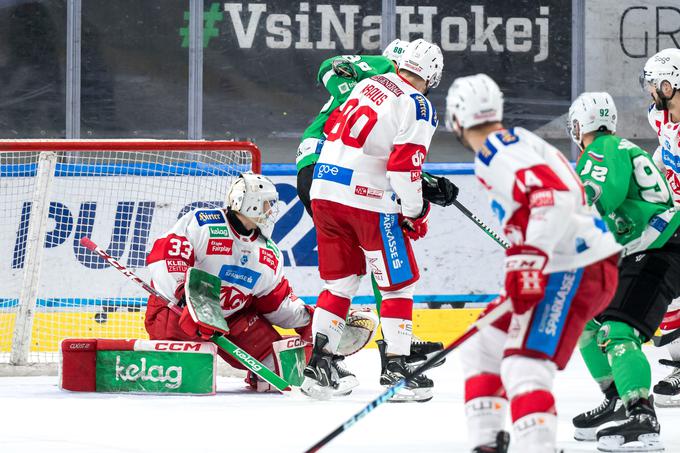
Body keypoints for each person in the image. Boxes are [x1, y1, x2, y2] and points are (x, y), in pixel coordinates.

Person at [446, 74, 621, 452]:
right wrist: (529, 260)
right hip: (570, 262)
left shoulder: (497, 150)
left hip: (575, 264)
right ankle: (487, 443)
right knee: (481, 344)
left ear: (455, 119)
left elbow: (552, 198)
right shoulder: (516, 141)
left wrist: (528, 261)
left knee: (524, 365)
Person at [301, 38, 444, 402]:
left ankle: (319, 367)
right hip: (366, 201)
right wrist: (414, 212)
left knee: (341, 285)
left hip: (324, 191)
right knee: (397, 287)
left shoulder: (368, 84)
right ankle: (398, 370)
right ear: (433, 76)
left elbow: (346, 134)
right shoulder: (419, 104)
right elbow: (402, 168)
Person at [144, 173, 374, 393]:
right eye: (267, 204)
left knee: (281, 364)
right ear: (251, 203)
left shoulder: (268, 253)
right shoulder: (204, 223)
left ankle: (314, 367)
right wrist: (187, 300)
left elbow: (277, 302)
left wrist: (314, 320)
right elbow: (168, 256)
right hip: (180, 313)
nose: (271, 210)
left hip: (234, 319)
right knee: (184, 374)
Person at [567, 92, 680, 451]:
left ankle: (642, 417)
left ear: (578, 125)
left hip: (661, 249)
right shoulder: (616, 148)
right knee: (584, 316)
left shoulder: (602, 149)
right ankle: (618, 396)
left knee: (619, 330)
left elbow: (598, 196)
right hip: (643, 251)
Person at [641, 47, 680, 408]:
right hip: (676, 214)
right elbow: (662, 152)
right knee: (665, 288)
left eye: (654, 84)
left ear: (670, 84)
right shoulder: (660, 116)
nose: (650, 91)